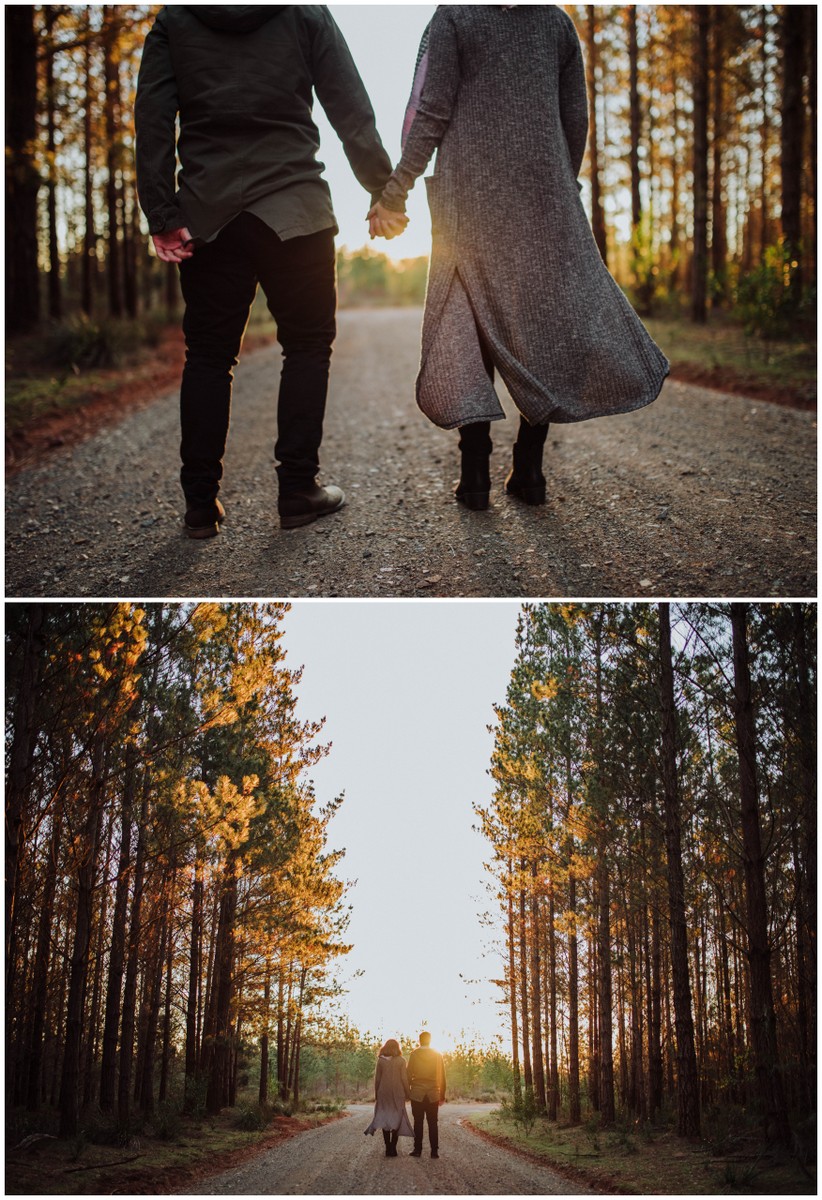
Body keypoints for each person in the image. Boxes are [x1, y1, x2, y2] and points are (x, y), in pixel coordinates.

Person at [370, 5, 669, 511]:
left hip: (471, 202)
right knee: (541, 327)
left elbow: (430, 109)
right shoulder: (554, 22)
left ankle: (475, 476)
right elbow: (576, 117)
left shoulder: (455, 18)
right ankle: (530, 471)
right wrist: (556, 184)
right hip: (543, 198)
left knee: (469, 326)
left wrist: (396, 191)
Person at [135, 6, 406, 538]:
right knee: (306, 346)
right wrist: (382, 187)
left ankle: (199, 504)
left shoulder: (176, 21)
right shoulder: (305, 12)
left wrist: (162, 213)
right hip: (296, 209)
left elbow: (152, 115)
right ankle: (299, 490)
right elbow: (348, 105)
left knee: (209, 355)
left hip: (209, 214)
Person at [363, 1038, 414, 1157]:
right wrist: (408, 1092)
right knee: (397, 1118)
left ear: (385, 1047)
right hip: (398, 1093)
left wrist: (377, 1094)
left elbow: (378, 1079)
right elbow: (404, 1078)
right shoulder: (401, 1061)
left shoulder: (381, 1061)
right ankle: (393, 1148)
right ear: (397, 1048)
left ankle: (387, 1148)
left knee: (385, 1118)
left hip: (383, 1093)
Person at [406, 1030, 446, 1159]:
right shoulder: (437, 1055)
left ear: (419, 1040)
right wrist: (442, 1095)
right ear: (430, 1040)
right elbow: (442, 1076)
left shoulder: (414, 1054)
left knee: (418, 1122)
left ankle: (417, 1150)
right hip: (433, 1093)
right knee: (433, 1123)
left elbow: (408, 1074)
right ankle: (434, 1152)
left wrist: (407, 1092)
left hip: (417, 1093)